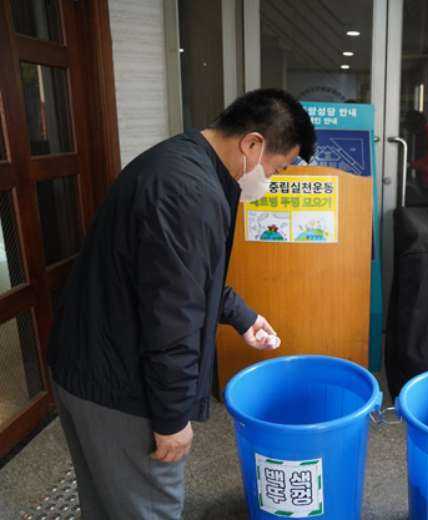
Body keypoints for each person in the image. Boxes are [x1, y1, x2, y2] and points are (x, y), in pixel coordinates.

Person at [47, 89, 315, 519]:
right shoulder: (189, 193)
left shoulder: (182, 160)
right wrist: (171, 420)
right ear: (252, 144)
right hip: (119, 384)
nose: (272, 180)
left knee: (108, 503)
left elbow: (183, 279)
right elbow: (173, 319)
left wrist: (243, 317)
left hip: (87, 362)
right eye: (277, 168)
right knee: (147, 505)